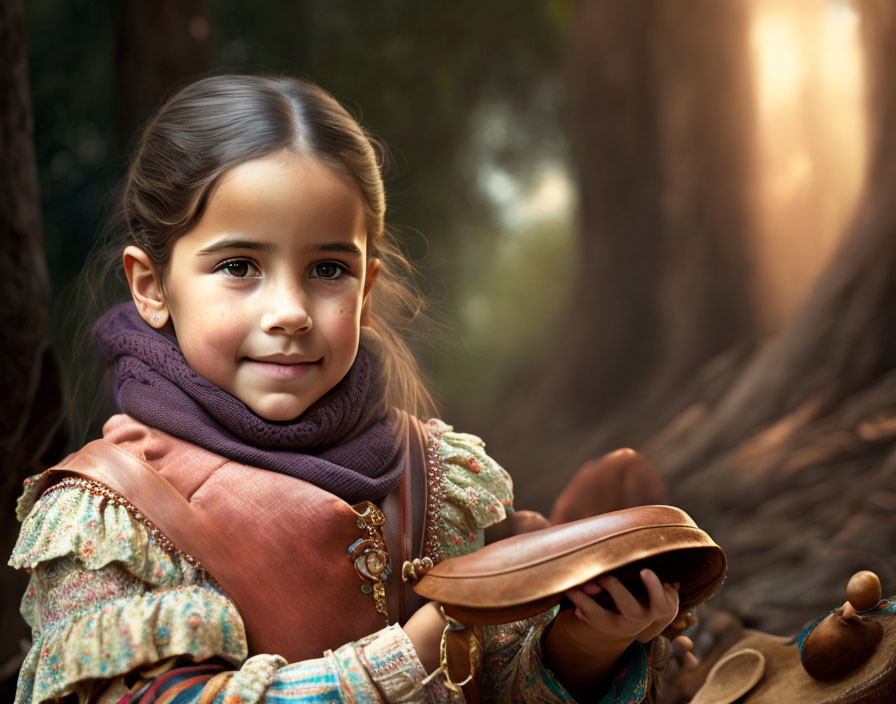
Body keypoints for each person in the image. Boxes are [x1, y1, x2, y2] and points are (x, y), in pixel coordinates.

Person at [9, 75, 683, 704]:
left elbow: (498, 678)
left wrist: (590, 642)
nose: (291, 311)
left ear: (365, 290)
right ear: (151, 286)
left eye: (328, 268)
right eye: (240, 266)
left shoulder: (436, 477)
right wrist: (406, 655)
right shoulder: (107, 513)